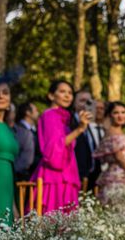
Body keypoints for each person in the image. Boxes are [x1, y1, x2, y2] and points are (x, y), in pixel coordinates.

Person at [31, 80, 90, 214]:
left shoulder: (65, 117)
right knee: (53, 217)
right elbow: (54, 148)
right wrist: (79, 129)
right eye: (62, 92)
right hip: (54, 173)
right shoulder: (50, 115)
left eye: (70, 93)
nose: (67, 96)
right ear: (51, 96)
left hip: (68, 170)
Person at [93, 101, 125, 202]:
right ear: (110, 115)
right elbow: (119, 157)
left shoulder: (124, 133)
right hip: (117, 179)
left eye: (123, 112)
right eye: (116, 113)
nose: (120, 116)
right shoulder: (110, 133)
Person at [0, 80, 19, 226]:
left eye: (5, 92)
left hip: (7, 187)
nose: (0, 96)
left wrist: (14, 205)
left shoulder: (7, 128)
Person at [73, 89, 101, 191]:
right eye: (82, 101)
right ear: (74, 103)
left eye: (89, 101)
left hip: (90, 178)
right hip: (75, 176)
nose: (86, 104)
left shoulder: (89, 124)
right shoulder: (69, 122)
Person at [13, 101, 40, 182]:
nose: (38, 113)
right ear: (28, 112)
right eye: (36, 110)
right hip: (20, 177)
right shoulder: (18, 130)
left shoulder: (35, 130)